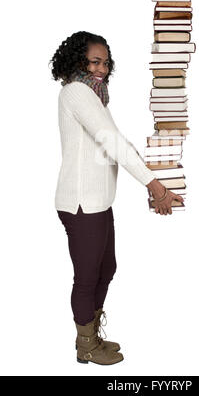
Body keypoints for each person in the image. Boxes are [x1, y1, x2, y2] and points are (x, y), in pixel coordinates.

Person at [49, 31, 184, 366]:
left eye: (106, 62)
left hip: (98, 202)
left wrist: (150, 177)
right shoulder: (77, 92)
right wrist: (154, 186)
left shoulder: (95, 96)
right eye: (95, 61)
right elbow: (111, 141)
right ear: (78, 61)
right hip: (81, 203)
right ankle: (86, 346)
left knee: (106, 267)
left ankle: (92, 337)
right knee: (87, 276)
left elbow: (116, 142)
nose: (102, 69)